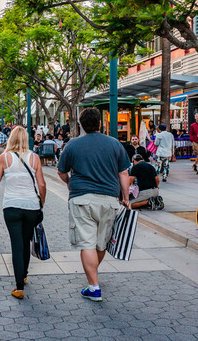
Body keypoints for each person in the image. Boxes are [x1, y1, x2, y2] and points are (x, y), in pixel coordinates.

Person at [57, 108, 130, 303]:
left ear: (81, 124)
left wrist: (70, 183)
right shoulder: (115, 144)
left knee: (87, 243)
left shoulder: (72, 145)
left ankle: (94, 287)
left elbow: (61, 171)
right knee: (101, 242)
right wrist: (126, 197)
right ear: (100, 123)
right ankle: (93, 276)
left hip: (81, 198)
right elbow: (123, 173)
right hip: (109, 199)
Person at [0, 126, 45, 300]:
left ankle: (19, 287)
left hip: (11, 206)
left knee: (16, 244)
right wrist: (41, 203)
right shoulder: (34, 157)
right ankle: (24, 274)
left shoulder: (4, 158)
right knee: (26, 240)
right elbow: (42, 185)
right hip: (31, 207)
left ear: (11, 139)